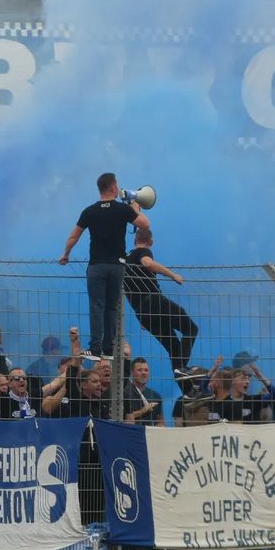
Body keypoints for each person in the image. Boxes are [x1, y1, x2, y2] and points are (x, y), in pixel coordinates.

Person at [59, 173, 150, 360]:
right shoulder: (122, 210)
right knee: (112, 307)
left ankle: (95, 349)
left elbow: (74, 236)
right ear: (114, 188)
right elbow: (145, 224)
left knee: (96, 306)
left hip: (96, 266)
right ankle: (109, 349)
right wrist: (134, 206)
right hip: (117, 266)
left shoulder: (89, 211)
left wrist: (66, 254)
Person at [124, 228, 199, 385]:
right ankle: (182, 368)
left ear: (134, 240)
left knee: (174, 348)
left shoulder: (125, 260)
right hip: (154, 301)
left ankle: (188, 392)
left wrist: (143, 317)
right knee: (191, 328)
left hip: (141, 312)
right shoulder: (143, 252)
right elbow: (148, 263)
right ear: (151, 242)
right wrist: (173, 275)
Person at [123, 357, 165, 426]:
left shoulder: (156, 396)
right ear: (132, 373)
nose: (144, 373)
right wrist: (143, 411)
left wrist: (160, 427)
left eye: (146, 370)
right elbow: (122, 417)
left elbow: (160, 421)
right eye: (139, 370)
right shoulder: (125, 393)